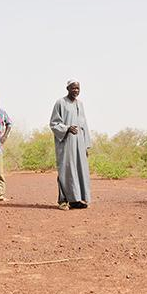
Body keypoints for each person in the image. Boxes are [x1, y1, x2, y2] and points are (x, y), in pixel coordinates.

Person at [50, 79, 91, 210]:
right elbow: (54, 123)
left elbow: (84, 125)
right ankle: (63, 201)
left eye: (78, 88)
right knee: (66, 171)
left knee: (79, 170)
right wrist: (67, 128)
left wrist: (86, 145)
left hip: (79, 144)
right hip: (66, 143)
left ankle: (76, 200)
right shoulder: (60, 103)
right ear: (67, 88)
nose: (76, 91)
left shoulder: (80, 104)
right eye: (73, 88)